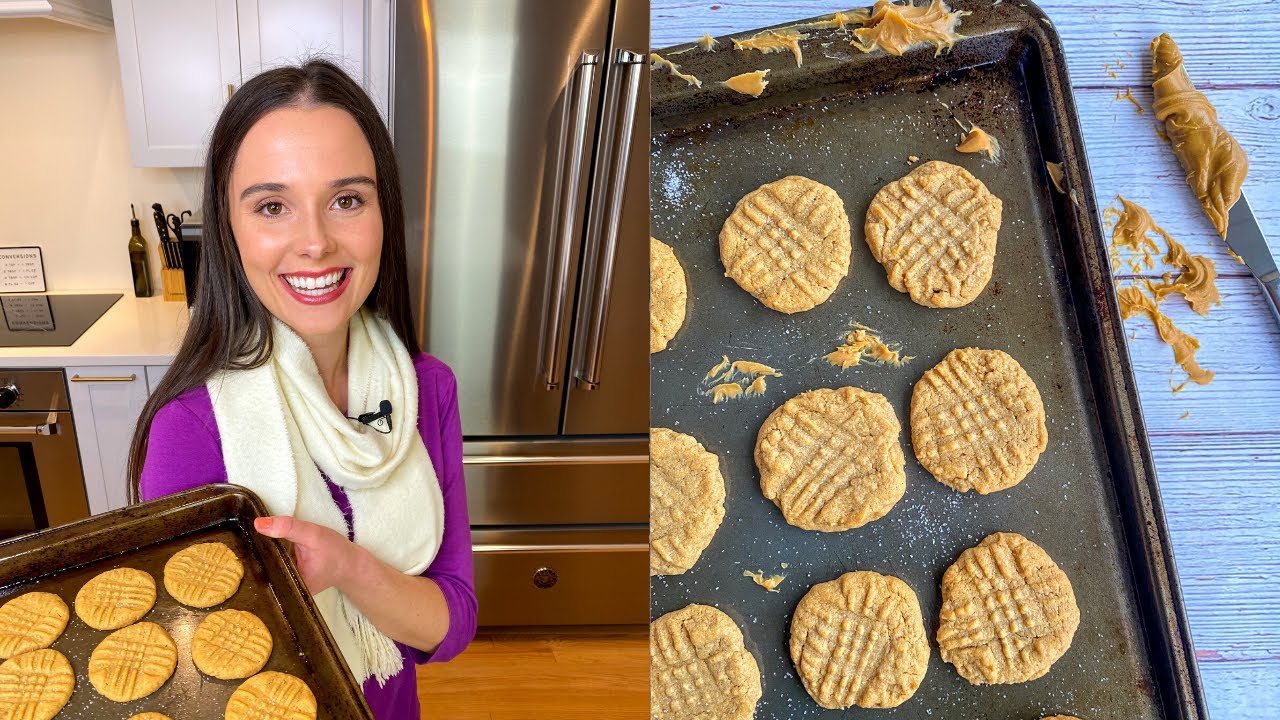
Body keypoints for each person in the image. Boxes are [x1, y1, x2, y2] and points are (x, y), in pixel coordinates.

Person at [125, 59, 476, 719]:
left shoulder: (427, 389)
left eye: (347, 200)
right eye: (272, 207)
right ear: (228, 228)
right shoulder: (190, 428)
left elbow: (448, 626)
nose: (315, 243)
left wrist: (346, 567)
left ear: (383, 212)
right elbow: (186, 683)